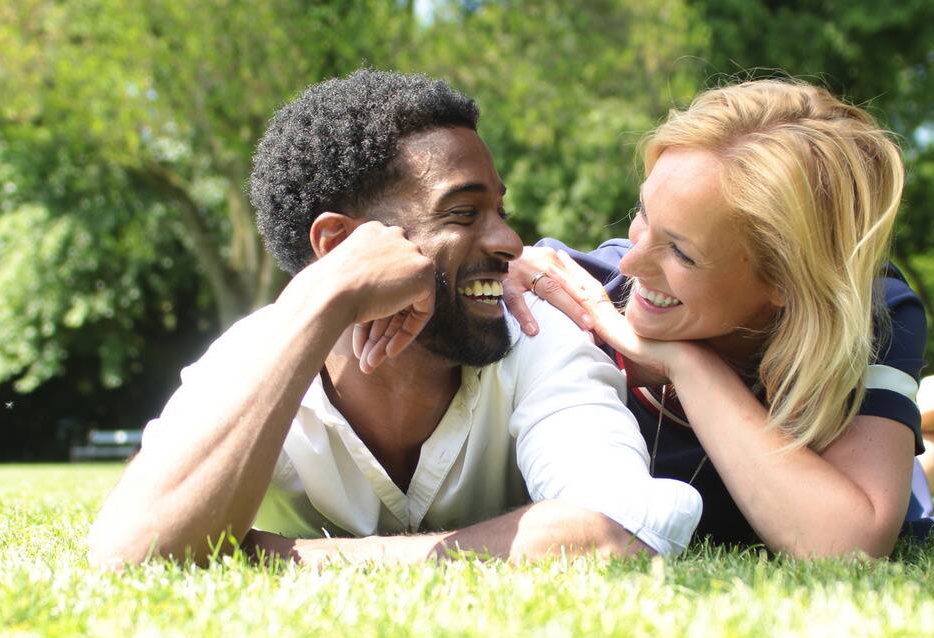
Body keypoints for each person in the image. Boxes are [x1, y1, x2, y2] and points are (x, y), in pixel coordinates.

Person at [87, 70, 702, 568]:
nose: (512, 242)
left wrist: (283, 558)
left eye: (500, 210)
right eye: (463, 214)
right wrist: (325, 299)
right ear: (341, 246)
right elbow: (132, 549)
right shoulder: (255, 359)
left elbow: (620, 529)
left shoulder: (539, 340)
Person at [506, 79, 923, 558]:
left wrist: (690, 367)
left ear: (788, 280)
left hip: (860, 472)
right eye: (643, 213)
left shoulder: (872, 312)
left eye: (681, 252)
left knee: (915, 483)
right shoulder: (565, 291)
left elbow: (848, 545)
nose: (630, 263)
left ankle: (928, 424)